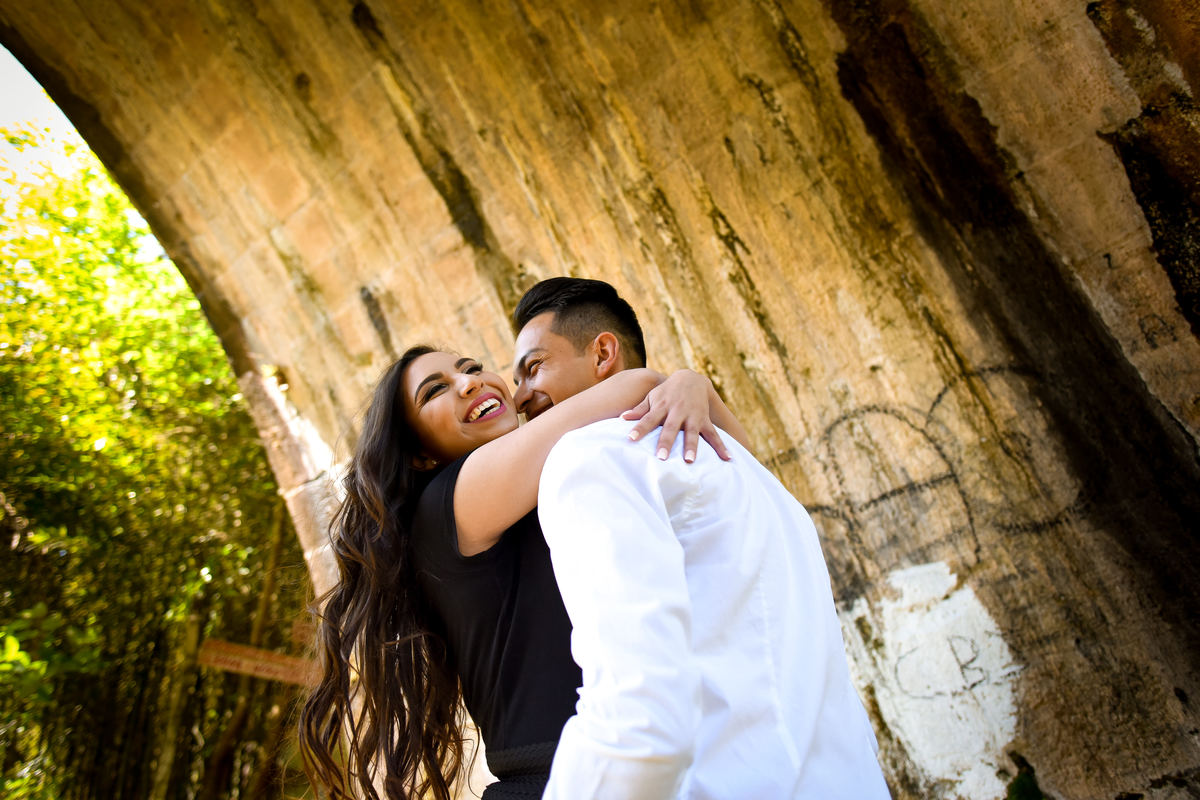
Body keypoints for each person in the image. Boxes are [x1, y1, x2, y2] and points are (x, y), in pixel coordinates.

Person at [298, 343, 737, 800]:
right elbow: (636, 386)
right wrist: (683, 383)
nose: (469, 382)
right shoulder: (447, 504)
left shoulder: (549, 487)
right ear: (420, 455)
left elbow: (743, 476)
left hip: (626, 769)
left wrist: (696, 390)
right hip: (549, 781)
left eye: (471, 368)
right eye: (435, 391)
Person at [511, 277, 891, 799]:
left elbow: (638, 714)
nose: (519, 397)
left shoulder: (591, 458)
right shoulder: (752, 474)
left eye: (533, 367)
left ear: (602, 353)